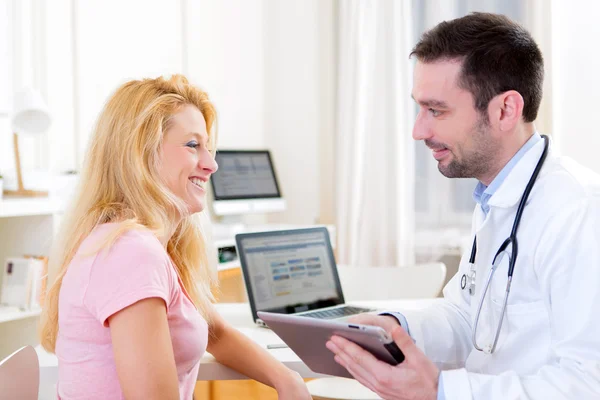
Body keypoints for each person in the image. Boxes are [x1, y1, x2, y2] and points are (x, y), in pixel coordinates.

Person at [326, 12, 600, 400]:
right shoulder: (494, 198)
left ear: (505, 110)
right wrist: (392, 327)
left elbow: (590, 384)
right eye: (419, 109)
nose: (418, 130)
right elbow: (468, 319)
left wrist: (441, 391)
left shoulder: (579, 213)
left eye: (436, 110)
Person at [39, 75, 311, 400]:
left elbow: (215, 332)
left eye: (208, 148)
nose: (211, 165)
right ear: (142, 153)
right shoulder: (131, 252)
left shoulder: (138, 245)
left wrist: (286, 379)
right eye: (193, 145)